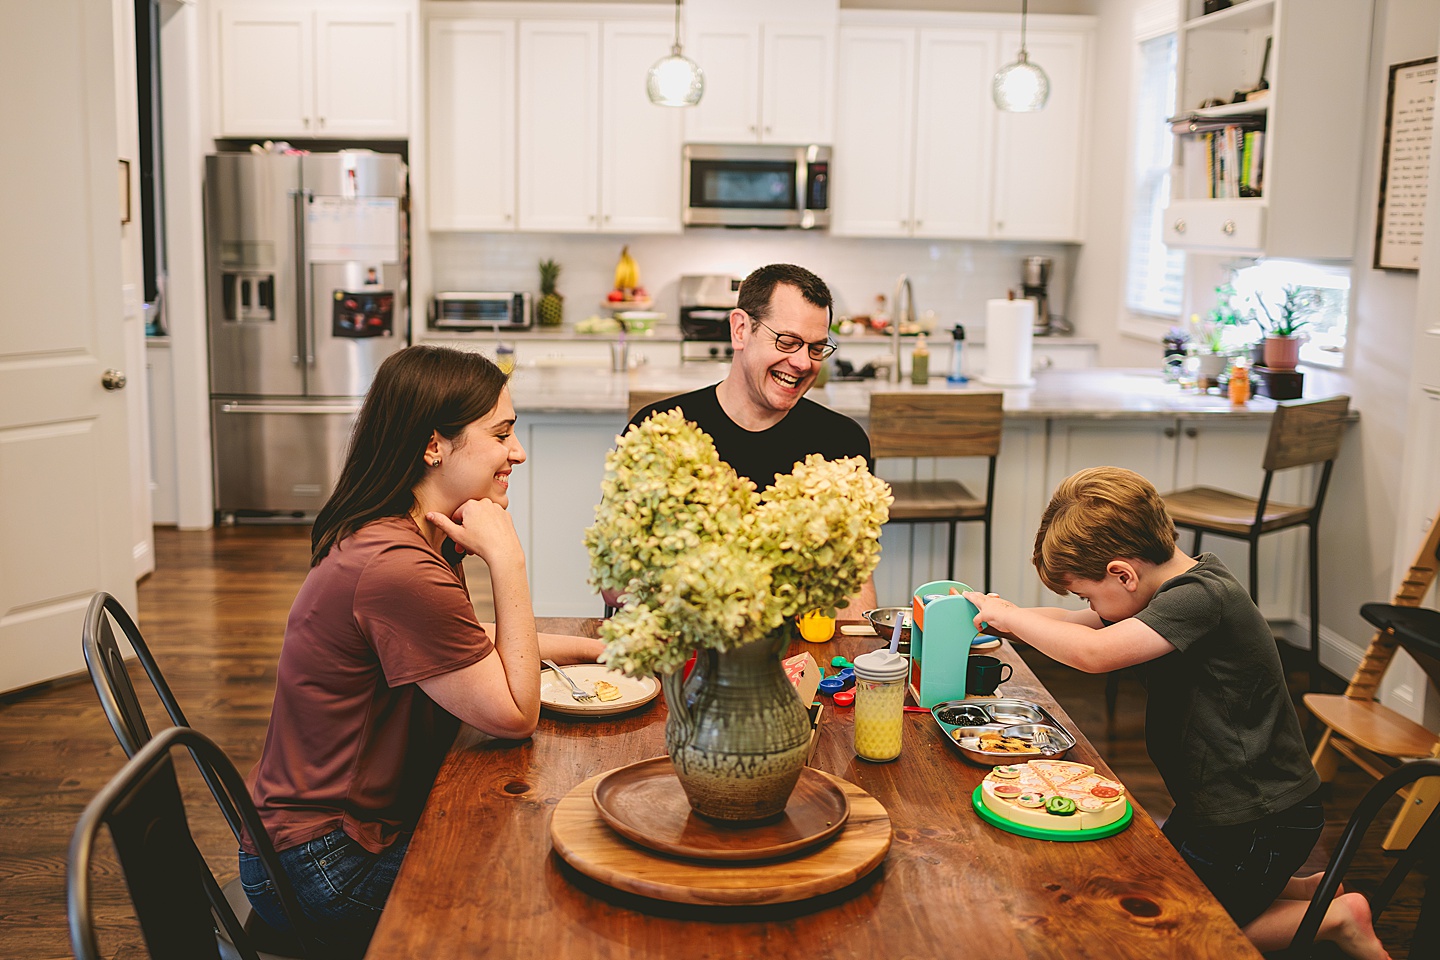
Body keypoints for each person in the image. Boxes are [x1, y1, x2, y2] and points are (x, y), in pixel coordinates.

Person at [238, 345, 603, 959]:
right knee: (541, 892)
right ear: (435, 446)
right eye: (502, 435)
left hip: (325, 841)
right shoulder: (397, 567)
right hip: (325, 865)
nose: (517, 452)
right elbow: (516, 714)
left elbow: (464, 647)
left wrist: (601, 648)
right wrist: (508, 560)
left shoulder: (410, 532)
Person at [962, 467, 1389, 960]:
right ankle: (1308, 893)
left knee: (1173, 934)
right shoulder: (1169, 590)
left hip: (1257, 814)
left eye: (1087, 592)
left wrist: (1012, 619)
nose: (1087, 605)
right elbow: (1076, 625)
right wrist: (999, 612)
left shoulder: (1200, 599)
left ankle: (1336, 919)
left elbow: (1094, 653)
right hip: (1218, 804)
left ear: (1123, 573)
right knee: (1175, 882)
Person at [627, 263, 877, 614]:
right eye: (787, 342)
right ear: (741, 330)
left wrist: (856, 657)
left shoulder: (842, 442)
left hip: (799, 648)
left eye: (817, 348)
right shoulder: (658, 429)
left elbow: (855, 581)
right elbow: (619, 586)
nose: (803, 363)